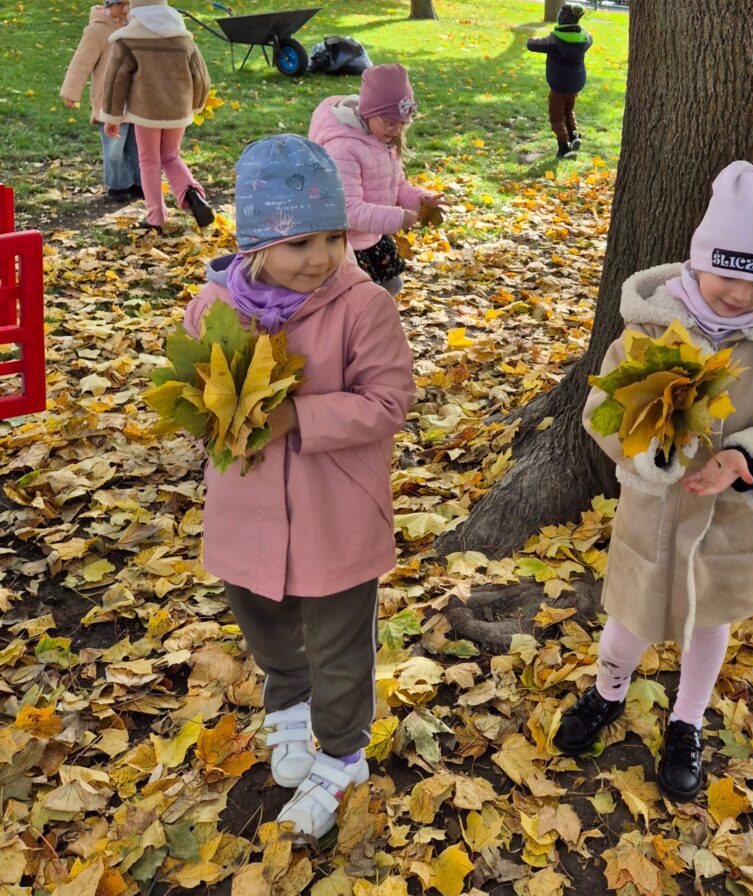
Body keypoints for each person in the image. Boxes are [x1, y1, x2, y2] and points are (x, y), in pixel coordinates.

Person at [555, 161, 753, 803]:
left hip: (734, 525)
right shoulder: (651, 327)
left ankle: (686, 721)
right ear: (699, 259)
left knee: (711, 624)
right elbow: (605, 409)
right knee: (628, 614)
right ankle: (607, 692)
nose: (739, 294)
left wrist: (748, 458)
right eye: (727, 274)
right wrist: (653, 449)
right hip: (654, 513)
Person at [182, 134, 416, 838]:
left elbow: (389, 400)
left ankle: (344, 753)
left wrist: (297, 416)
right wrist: (212, 424)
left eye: (332, 236)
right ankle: (287, 705)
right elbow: (197, 390)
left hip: (334, 510)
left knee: (339, 642)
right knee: (263, 616)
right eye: (298, 243)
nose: (320, 257)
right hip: (245, 507)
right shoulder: (216, 305)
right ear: (255, 246)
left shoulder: (362, 306)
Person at [309, 63, 446, 297]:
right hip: (346, 247)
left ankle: (373, 329)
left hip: (372, 237)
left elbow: (397, 186)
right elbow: (347, 211)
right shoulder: (344, 148)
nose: (395, 130)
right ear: (368, 112)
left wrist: (420, 201)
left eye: (401, 124)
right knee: (359, 302)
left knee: (391, 286)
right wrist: (398, 218)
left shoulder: (382, 139)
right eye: (389, 122)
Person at [99, 0, 213, 232]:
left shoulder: (129, 39)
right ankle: (192, 193)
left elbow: (115, 80)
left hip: (146, 111)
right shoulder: (183, 37)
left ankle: (156, 216)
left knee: (149, 161)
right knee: (171, 156)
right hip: (178, 109)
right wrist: (196, 105)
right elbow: (201, 76)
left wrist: (112, 116)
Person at [60, 0, 142, 201]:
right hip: (110, 100)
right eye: (122, 5)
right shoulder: (97, 30)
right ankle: (119, 185)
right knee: (114, 148)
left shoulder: (135, 27)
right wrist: (71, 92)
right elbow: (81, 62)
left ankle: (140, 183)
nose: (126, 10)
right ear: (110, 5)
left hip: (137, 99)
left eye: (129, 5)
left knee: (138, 147)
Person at [526, 3, 593, 159]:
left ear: (561, 20)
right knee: (569, 111)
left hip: (558, 87)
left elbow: (532, 44)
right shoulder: (584, 39)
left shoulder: (553, 40)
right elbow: (590, 36)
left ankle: (564, 147)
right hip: (575, 85)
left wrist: (531, 36)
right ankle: (574, 135)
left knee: (556, 117)